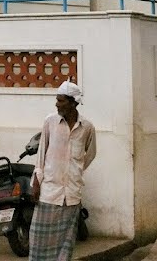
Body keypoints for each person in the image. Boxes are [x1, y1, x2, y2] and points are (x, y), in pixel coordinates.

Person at [29, 79, 97, 261]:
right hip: (49, 192)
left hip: (72, 194)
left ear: (73, 103)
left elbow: (90, 154)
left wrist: (75, 171)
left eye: (61, 101)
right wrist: (36, 181)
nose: (57, 104)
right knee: (38, 241)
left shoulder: (87, 128)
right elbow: (41, 153)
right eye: (57, 100)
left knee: (65, 245)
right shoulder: (50, 122)